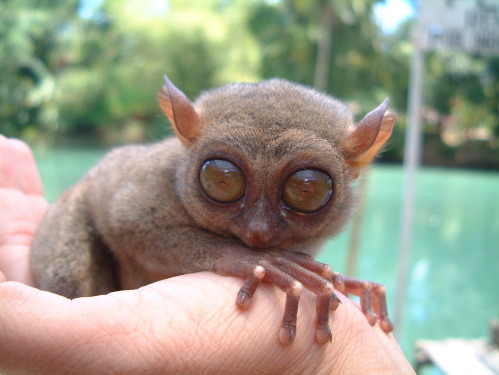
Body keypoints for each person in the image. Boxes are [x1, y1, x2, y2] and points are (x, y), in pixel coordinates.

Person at [0, 135, 415, 374]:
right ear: (186, 131)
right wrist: (222, 254)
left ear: (355, 161)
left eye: (305, 190)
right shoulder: (163, 176)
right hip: (97, 242)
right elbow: (131, 222)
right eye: (223, 181)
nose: (258, 229)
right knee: (65, 279)